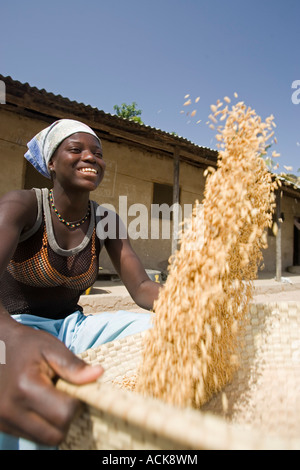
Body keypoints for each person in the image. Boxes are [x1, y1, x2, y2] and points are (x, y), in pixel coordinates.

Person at [0, 119, 161, 450]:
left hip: (74, 328)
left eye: (98, 153)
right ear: (51, 163)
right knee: (29, 419)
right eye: (76, 149)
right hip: (12, 328)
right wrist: (15, 338)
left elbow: (143, 288)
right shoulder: (23, 205)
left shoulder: (106, 221)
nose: (91, 158)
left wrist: (195, 301)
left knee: (165, 330)